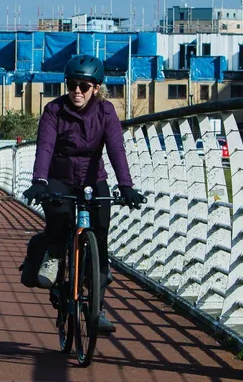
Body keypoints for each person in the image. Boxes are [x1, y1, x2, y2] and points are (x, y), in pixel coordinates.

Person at [21, 54, 145, 334]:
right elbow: (45, 147)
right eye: (72, 84)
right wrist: (40, 180)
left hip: (93, 179)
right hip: (60, 178)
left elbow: (115, 148)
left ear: (96, 88)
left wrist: (125, 185)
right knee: (59, 219)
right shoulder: (54, 110)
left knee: (99, 239)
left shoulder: (106, 112)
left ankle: (96, 310)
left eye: (84, 86)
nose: (77, 90)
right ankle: (53, 253)